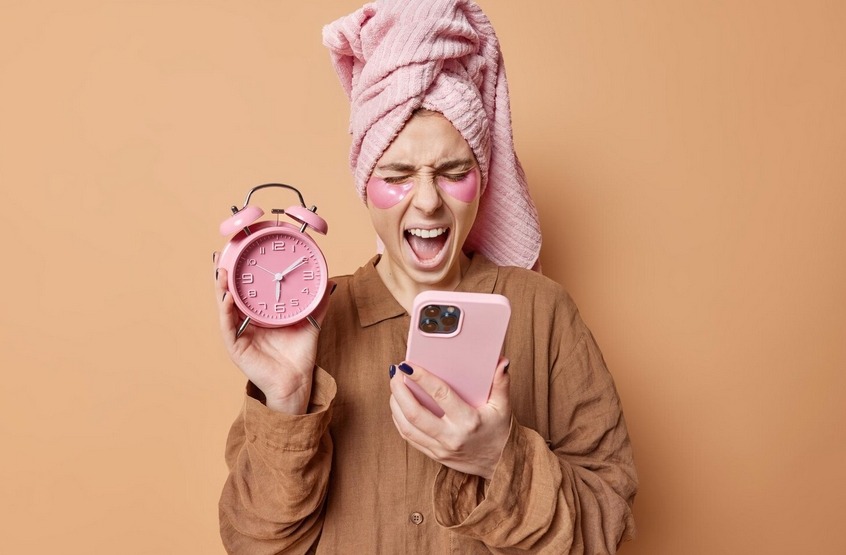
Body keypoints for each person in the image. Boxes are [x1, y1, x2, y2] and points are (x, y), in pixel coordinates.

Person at [214, 0, 637, 553]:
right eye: (397, 175)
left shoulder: (543, 311)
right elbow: (253, 543)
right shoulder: (313, 325)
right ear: (365, 186)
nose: (429, 203)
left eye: (454, 171)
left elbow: (610, 523)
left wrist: (498, 458)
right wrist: (288, 400)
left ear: (482, 180)